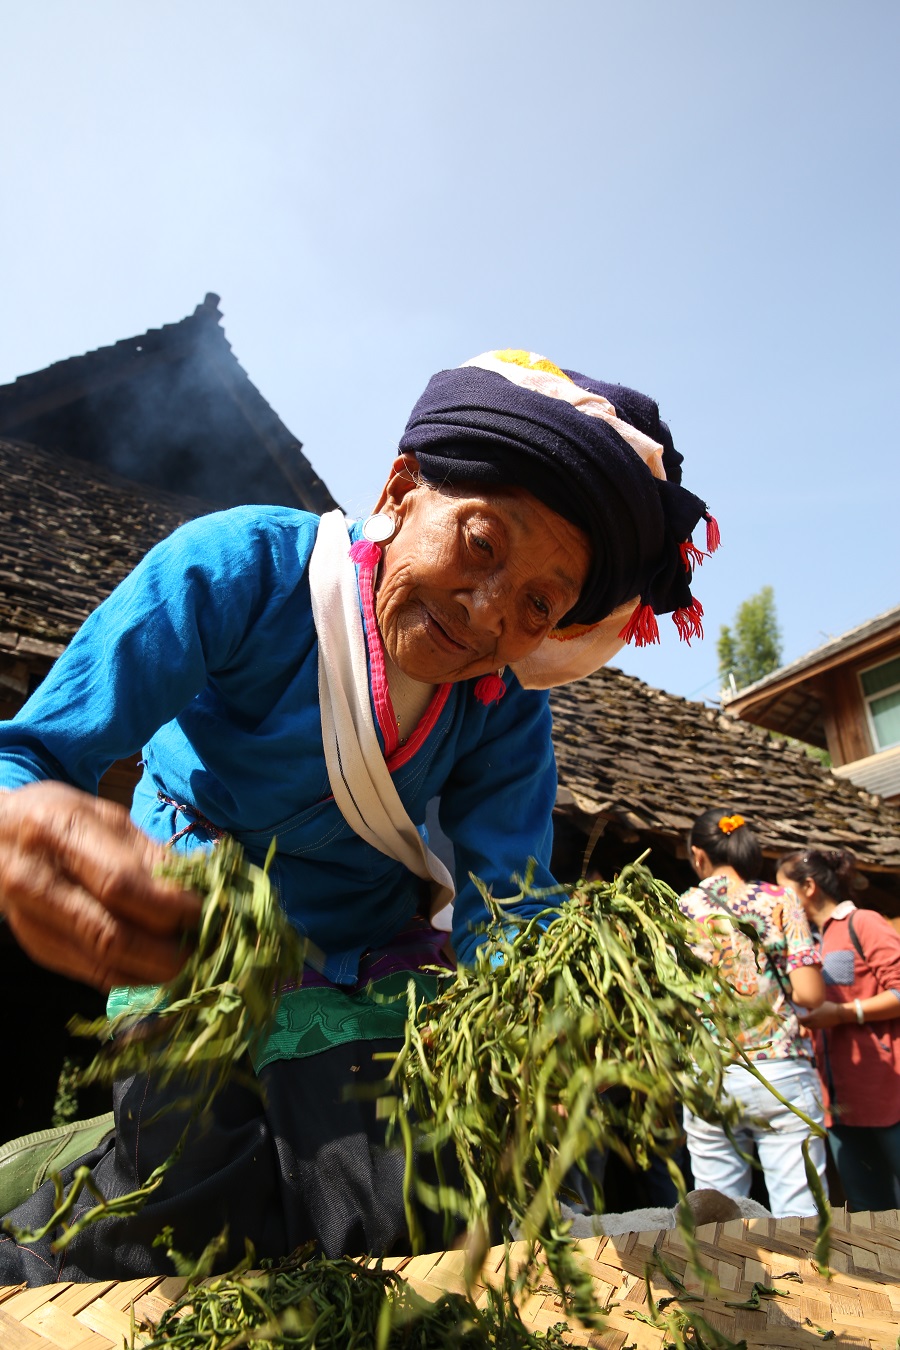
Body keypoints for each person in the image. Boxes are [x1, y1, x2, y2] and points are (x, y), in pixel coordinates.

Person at [0, 349, 718, 1285]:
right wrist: (23, 822)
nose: (489, 611)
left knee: (393, 1216)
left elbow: (515, 911)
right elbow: (32, 751)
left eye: (539, 603)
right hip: (194, 926)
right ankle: (46, 1185)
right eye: (481, 544)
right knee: (188, 1225)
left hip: (370, 959)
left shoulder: (503, 709)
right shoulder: (236, 571)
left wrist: (545, 1032)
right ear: (402, 487)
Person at [678, 809, 827, 1217]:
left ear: (698, 856)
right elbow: (810, 994)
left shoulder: (679, 909)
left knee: (714, 1215)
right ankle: (809, 1282)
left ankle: (728, 1280)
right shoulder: (782, 901)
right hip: (781, 1072)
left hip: (710, 1075)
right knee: (801, 1216)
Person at [776, 848, 900, 1212]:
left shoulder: (862, 923)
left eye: (785, 890)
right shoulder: (806, 941)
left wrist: (844, 1014)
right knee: (866, 1212)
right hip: (839, 1104)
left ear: (809, 886)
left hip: (888, 1092)